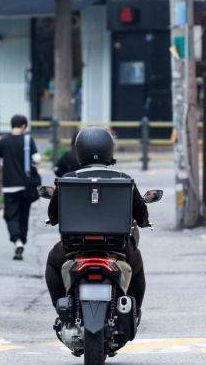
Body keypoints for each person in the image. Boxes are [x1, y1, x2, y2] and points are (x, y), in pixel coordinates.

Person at [44, 126, 149, 311]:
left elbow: (52, 215)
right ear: (109, 149)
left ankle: (62, 307)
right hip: (118, 248)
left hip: (73, 248)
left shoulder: (67, 180)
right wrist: (142, 221)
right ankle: (133, 310)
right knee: (137, 266)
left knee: (53, 262)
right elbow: (141, 213)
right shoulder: (124, 179)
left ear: (79, 151)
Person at [0, 114, 41, 260]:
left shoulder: (2, 142)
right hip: (25, 186)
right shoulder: (28, 140)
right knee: (24, 215)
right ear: (23, 126)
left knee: (11, 216)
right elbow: (37, 160)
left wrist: (6, 165)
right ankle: (22, 241)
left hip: (9, 186)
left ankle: (17, 241)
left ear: (12, 125)